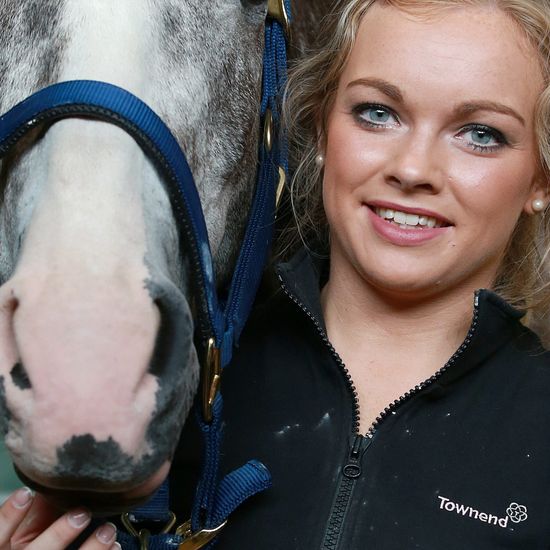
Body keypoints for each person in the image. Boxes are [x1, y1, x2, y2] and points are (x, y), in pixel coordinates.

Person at [2, 0, 550, 548]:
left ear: (540, 180)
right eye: (377, 113)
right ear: (318, 126)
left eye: (481, 134)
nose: (411, 169)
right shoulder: (150, 388)